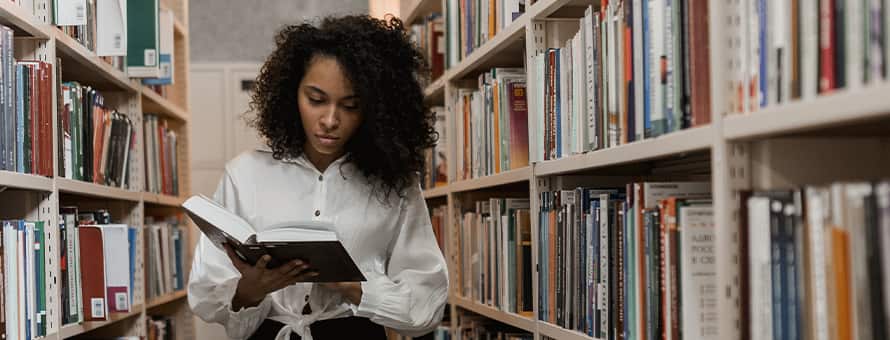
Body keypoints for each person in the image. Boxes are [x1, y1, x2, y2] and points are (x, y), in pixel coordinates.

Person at [187, 15, 449, 340]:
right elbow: (206, 291)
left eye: (350, 106)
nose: (329, 120)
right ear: (290, 94)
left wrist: (353, 287)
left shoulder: (396, 186)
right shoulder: (244, 174)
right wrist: (248, 292)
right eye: (316, 100)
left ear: (375, 110)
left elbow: (427, 305)